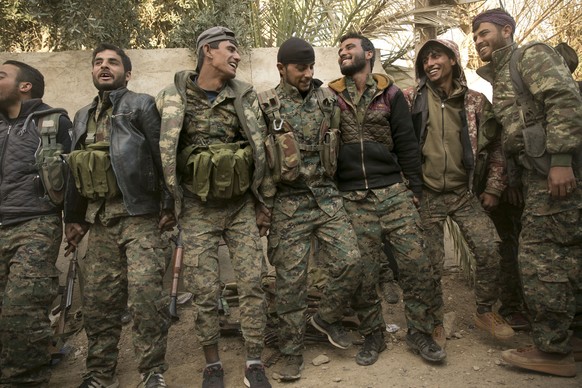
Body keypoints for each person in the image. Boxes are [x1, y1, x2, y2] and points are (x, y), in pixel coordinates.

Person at [156, 27, 273, 388]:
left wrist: (263, 203)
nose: (236, 56)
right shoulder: (171, 97)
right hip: (196, 208)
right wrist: (169, 206)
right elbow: (161, 156)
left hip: (240, 206)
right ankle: (212, 364)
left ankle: (254, 361)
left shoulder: (244, 95)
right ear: (208, 51)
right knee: (206, 290)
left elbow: (262, 149)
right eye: (231, 50)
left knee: (253, 281)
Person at [473, 8, 582, 377]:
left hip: (555, 174)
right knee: (565, 256)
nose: (479, 41)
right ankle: (572, 338)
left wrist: (562, 161)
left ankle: (552, 352)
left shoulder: (529, 54)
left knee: (541, 259)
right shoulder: (502, 74)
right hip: (538, 176)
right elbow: (516, 132)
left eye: (484, 33)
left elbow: (564, 98)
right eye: (475, 37)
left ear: (507, 30)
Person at [328, 32, 446, 363]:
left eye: (349, 48)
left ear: (369, 53)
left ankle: (420, 333)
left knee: (415, 262)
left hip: (393, 191)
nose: (343, 53)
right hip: (353, 196)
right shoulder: (332, 96)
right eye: (340, 50)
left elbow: (407, 143)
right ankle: (373, 335)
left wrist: (416, 189)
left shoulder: (391, 94)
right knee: (365, 271)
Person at [64, 44, 174, 388]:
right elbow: (75, 169)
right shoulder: (82, 114)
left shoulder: (141, 105)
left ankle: (151, 372)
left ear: (128, 72)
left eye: (113, 62)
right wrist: (74, 217)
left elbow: (162, 155)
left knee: (146, 300)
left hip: (140, 217)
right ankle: (99, 374)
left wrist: (170, 206)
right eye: (98, 63)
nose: (104, 67)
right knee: (98, 304)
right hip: (100, 221)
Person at [258, 38, 362, 379]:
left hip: (327, 197)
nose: (308, 73)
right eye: (301, 68)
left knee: (350, 260)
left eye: (311, 66)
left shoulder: (327, 100)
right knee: (291, 281)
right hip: (289, 203)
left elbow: (345, 143)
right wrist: (264, 208)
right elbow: (261, 162)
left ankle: (325, 319)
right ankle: (290, 351)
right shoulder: (267, 106)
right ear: (281, 69)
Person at [402, 38, 517, 346]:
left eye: (436, 55)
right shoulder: (410, 99)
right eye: (425, 59)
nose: (429, 63)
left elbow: (496, 148)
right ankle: (435, 320)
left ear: (453, 60)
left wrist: (493, 187)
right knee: (430, 262)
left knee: (490, 249)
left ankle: (484, 311)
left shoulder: (476, 102)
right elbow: (394, 141)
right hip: (426, 194)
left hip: (463, 194)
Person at [0, 60, 72, 387]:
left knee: (22, 314)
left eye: (1, 76)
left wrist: (73, 221)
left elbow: (73, 178)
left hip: (35, 224)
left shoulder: (52, 121)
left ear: (24, 85)